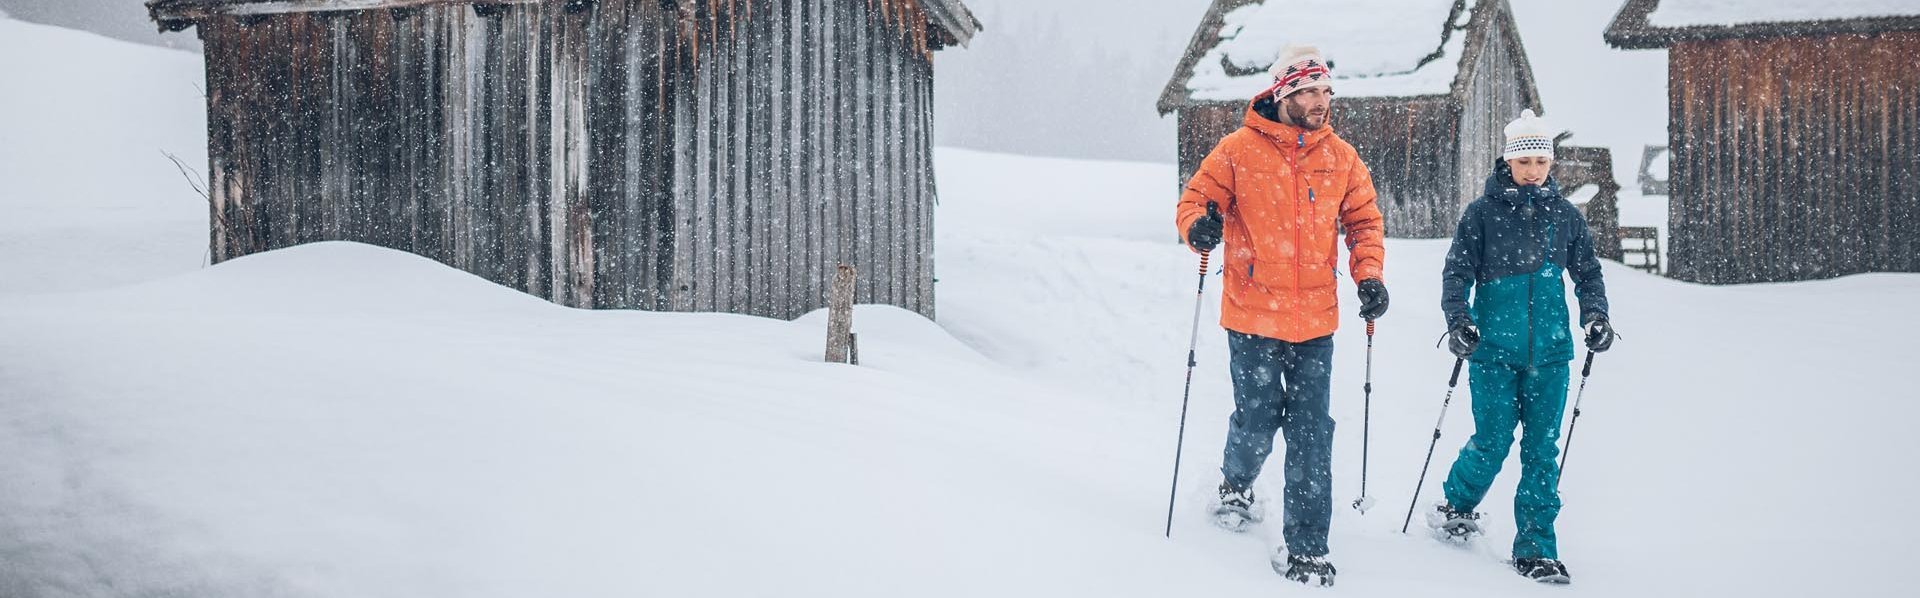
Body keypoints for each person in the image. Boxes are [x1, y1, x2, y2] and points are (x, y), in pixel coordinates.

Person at [1174, 44, 1387, 587]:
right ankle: (1236, 483)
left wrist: (1369, 276)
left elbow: (1364, 222)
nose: (1322, 101)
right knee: (1257, 420)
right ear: (1284, 94)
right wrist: (1199, 226)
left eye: (1326, 91)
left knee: (1313, 433)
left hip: (1316, 319)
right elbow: (1194, 200)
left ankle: (1310, 547)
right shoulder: (1237, 150)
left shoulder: (1340, 156)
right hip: (1251, 316)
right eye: (1311, 91)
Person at [1430, 109, 1616, 585]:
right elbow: (1457, 274)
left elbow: (1588, 273)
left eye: (1541, 161)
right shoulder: (1481, 214)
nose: (1533, 170)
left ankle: (1536, 547)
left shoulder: (1566, 217)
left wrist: (1595, 316)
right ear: (1508, 162)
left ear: (1550, 163)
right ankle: (1458, 501)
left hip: (1551, 356)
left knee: (1541, 450)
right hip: (1492, 352)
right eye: (1525, 161)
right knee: (1492, 442)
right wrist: (1459, 321)